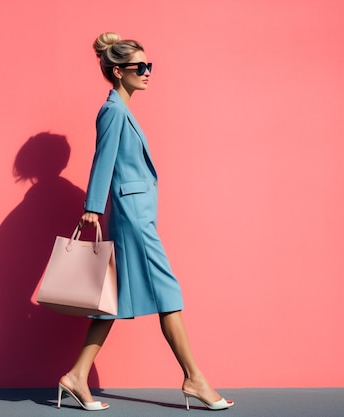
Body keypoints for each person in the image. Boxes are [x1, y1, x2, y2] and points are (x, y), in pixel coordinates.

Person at [56, 32, 234, 411]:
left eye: (149, 65)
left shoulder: (122, 109)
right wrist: (93, 205)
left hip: (139, 214)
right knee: (169, 293)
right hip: (133, 218)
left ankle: (75, 376)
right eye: (141, 66)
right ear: (119, 71)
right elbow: (103, 158)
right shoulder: (113, 111)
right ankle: (194, 378)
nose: (148, 72)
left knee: (114, 303)